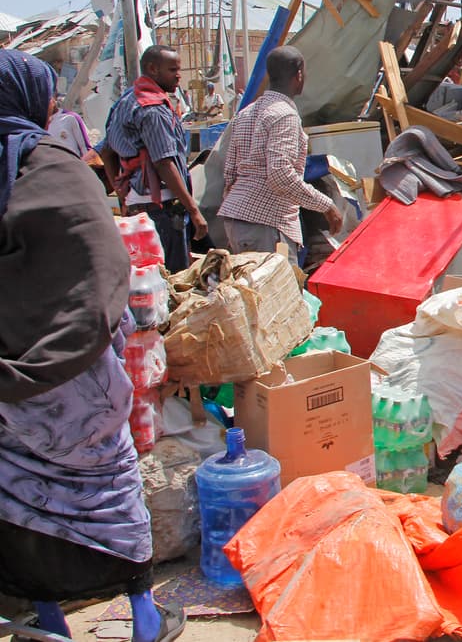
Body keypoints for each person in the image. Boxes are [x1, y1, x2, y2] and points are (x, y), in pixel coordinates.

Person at [0, 50, 186, 642]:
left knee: (21, 501)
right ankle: (144, 620)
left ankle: (50, 621)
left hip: (7, 380)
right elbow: (106, 265)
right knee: (110, 487)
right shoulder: (51, 165)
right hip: (77, 372)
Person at [218, 47, 343, 266]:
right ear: (299, 75)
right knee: (277, 295)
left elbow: (230, 172)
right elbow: (280, 175)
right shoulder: (284, 115)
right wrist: (326, 205)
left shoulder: (246, 113)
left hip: (238, 220)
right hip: (266, 223)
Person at [100, 44, 207, 273]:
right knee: (171, 276)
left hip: (135, 205)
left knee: (146, 276)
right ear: (152, 69)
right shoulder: (153, 109)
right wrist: (194, 211)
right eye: (172, 70)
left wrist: (122, 194)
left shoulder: (125, 101)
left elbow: (106, 151)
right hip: (162, 210)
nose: (178, 76)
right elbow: (164, 163)